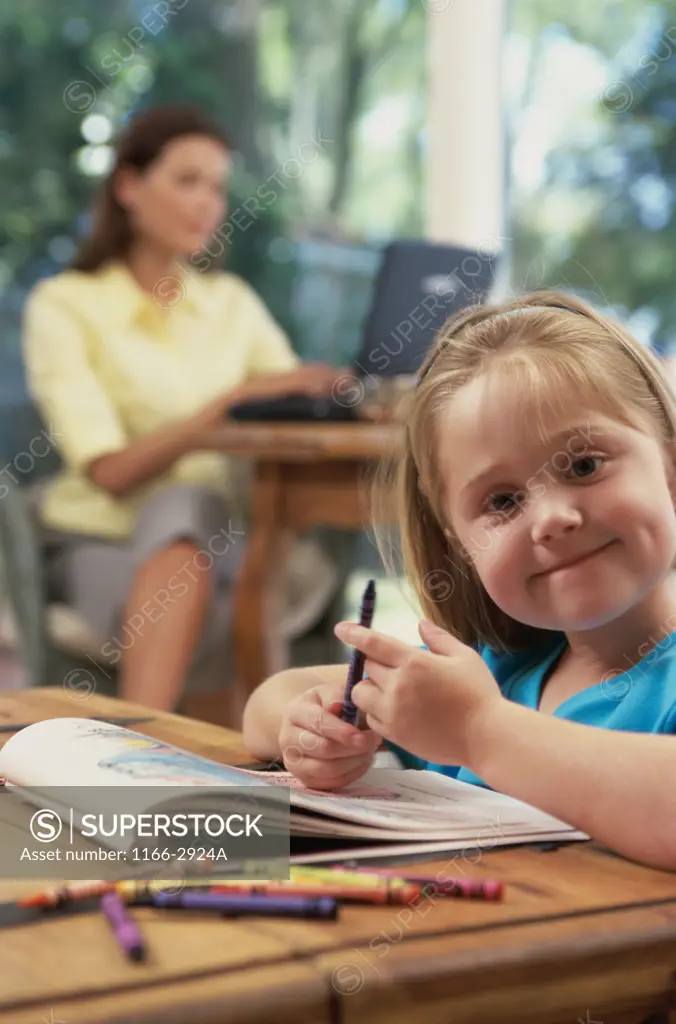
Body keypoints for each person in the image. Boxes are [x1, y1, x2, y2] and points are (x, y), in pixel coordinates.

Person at [242, 289, 676, 871]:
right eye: (502, 501)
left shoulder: (477, 708)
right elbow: (265, 708)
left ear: (670, 465)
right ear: (460, 546)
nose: (551, 518)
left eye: (584, 464)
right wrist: (317, 726)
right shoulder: (496, 667)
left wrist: (479, 731)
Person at [22, 104, 344, 711]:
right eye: (187, 181)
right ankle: (168, 758)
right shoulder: (64, 304)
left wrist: (344, 389)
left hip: (223, 546)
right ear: (128, 187)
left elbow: (289, 397)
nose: (207, 204)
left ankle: (158, 763)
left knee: (232, 553)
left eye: (218, 188)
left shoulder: (231, 303)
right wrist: (219, 411)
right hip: (101, 541)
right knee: (196, 516)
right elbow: (109, 471)